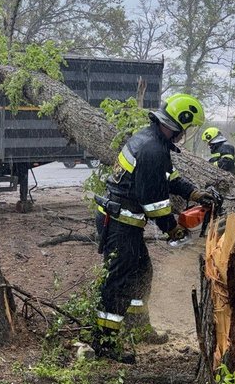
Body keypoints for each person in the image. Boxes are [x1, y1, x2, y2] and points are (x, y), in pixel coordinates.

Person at [93, 93, 217, 362]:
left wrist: (193, 193)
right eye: (187, 128)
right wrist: (173, 230)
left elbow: (168, 177)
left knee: (142, 273)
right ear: (179, 123)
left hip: (126, 222)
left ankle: (138, 329)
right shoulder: (152, 150)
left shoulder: (152, 140)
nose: (185, 134)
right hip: (120, 223)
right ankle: (104, 344)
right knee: (119, 282)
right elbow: (155, 203)